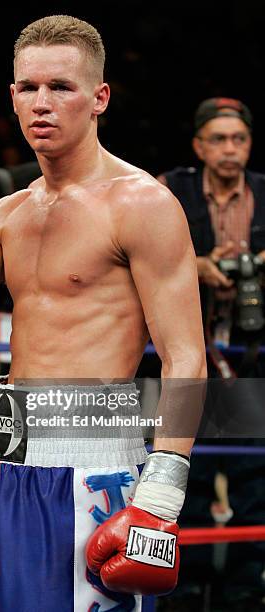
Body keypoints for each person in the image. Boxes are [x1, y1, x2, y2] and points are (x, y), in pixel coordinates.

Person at [0, 15, 206, 612]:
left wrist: (163, 492)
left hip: (89, 472)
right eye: (28, 87)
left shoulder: (142, 204)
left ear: (99, 98)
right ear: (11, 97)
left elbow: (185, 353)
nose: (41, 103)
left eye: (61, 87)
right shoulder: (7, 214)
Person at [158, 98, 265, 610]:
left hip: (251, 357)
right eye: (219, 139)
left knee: (253, 480)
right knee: (181, 471)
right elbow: (141, 250)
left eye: (239, 139)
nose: (230, 150)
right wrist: (197, 266)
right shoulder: (168, 190)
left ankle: (246, 591)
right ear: (199, 145)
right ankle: (183, 585)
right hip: (184, 356)